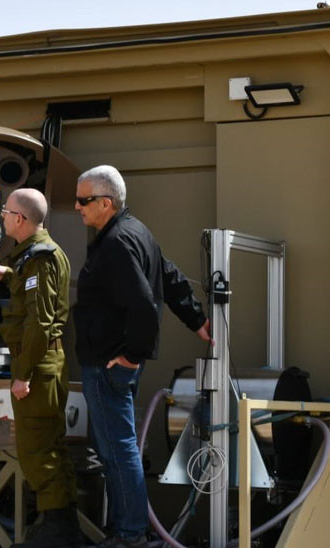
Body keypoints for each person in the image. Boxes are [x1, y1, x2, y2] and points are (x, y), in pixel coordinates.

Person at [73, 166, 212, 548]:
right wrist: (197, 320)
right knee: (118, 448)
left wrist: (132, 357)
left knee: (117, 451)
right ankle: (129, 530)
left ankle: (130, 534)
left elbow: (144, 305)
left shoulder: (117, 242)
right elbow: (170, 276)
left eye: (83, 200)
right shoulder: (136, 232)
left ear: (106, 203)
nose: (77, 206)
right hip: (112, 363)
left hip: (109, 365)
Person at [0, 189, 81, 548]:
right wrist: (9, 274)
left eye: (6, 212)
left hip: (36, 367)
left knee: (37, 449)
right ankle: (62, 527)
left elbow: (40, 322)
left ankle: (56, 530)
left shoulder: (40, 258)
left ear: (20, 219)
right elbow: (34, 294)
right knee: (49, 444)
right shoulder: (35, 257)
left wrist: (22, 374)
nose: (2, 217)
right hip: (43, 364)